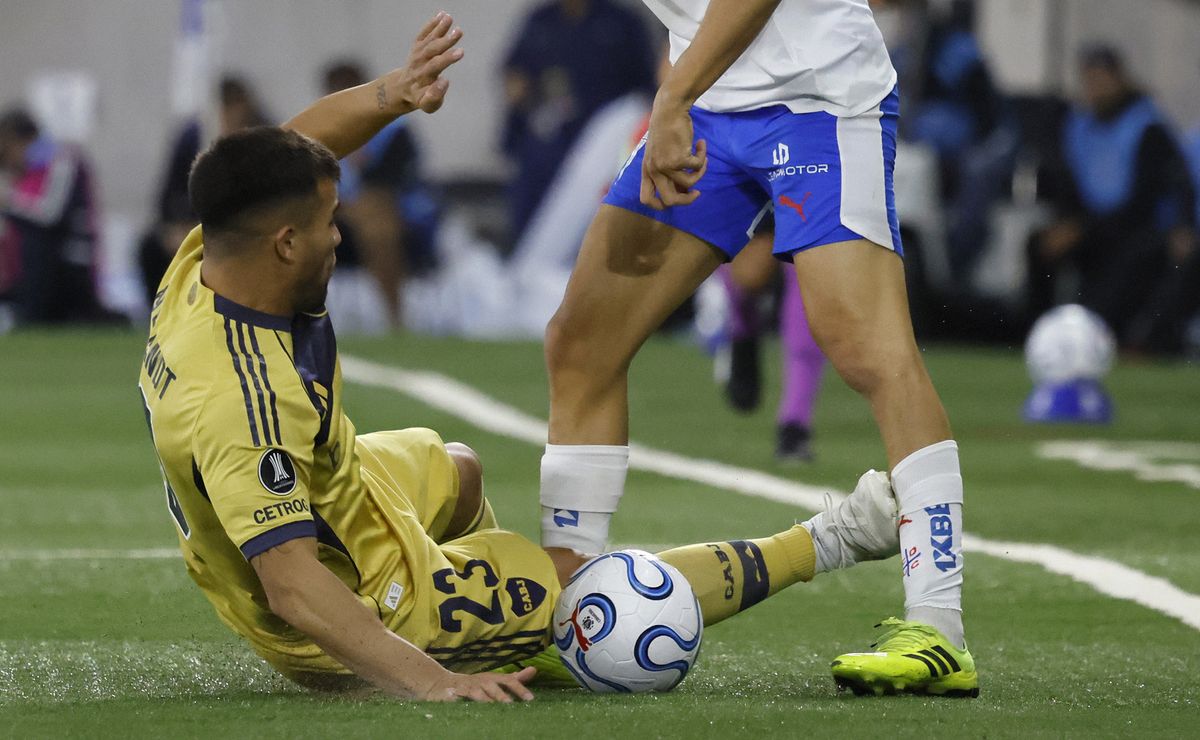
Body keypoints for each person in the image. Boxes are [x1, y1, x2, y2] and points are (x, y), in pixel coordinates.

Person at [137, 12, 913, 703]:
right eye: (329, 224)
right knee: (595, 603)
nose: (341, 236)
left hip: (340, 485)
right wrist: (434, 679)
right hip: (356, 597)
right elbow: (293, 587)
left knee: (459, 466)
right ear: (284, 243)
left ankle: (506, 610)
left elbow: (295, 150)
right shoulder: (245, 401)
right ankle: (833, 537)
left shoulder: (211, 257)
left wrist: (395, 93)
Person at [538, 0, 976, 697]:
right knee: (583, 341)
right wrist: (678, 87)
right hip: (707, 102)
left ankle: (939, 629)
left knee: (868, 347)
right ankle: (564, 613)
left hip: (817, 95)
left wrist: (672, 96)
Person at [1028, 45, 1197, 345]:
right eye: (1088, 81)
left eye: (1100, 79)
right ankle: (1033, 333)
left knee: (1116, 277)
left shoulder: (1147, 128)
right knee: (1038, 245)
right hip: (1093, 229)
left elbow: (1146, 201)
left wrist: (1082, 228)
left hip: (1135, 231)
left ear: (1118, 79)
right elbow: (1067, 187)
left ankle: (1115, 337)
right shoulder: (1078, 126)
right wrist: (1067, 225)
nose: (1094, 89)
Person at [501, 0, 655, 244]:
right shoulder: (541, 20)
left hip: (605, 139)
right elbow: (514, 72)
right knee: (535, 164)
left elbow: (646, 87)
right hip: (554, 133)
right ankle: (527, 256)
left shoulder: (621, 22)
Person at [321, 60, 441, 329]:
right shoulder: (322, 135)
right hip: (337, 217)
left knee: (377, 220)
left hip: (396, 217)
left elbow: (389, 187)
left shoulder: (392, 132)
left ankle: (394, 316)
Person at [138, 76, 271, 306]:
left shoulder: (264, 140)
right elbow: (170, 193)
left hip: (245, 229)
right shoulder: (193, 138)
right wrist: (176, 225)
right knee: (150, 246)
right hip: (196, 225)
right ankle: (161, 310)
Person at [0, 108, 123, 325]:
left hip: (69, 260)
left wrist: (9, 203)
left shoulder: (62, 160)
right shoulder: (27, 173)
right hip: (43, 261)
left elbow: (50, 214)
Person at [718, 225, 827, 463]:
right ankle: (742, 323)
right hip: (758, 192)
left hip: (804, 191)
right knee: (747, 274)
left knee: (807, 285)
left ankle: (794, 425)